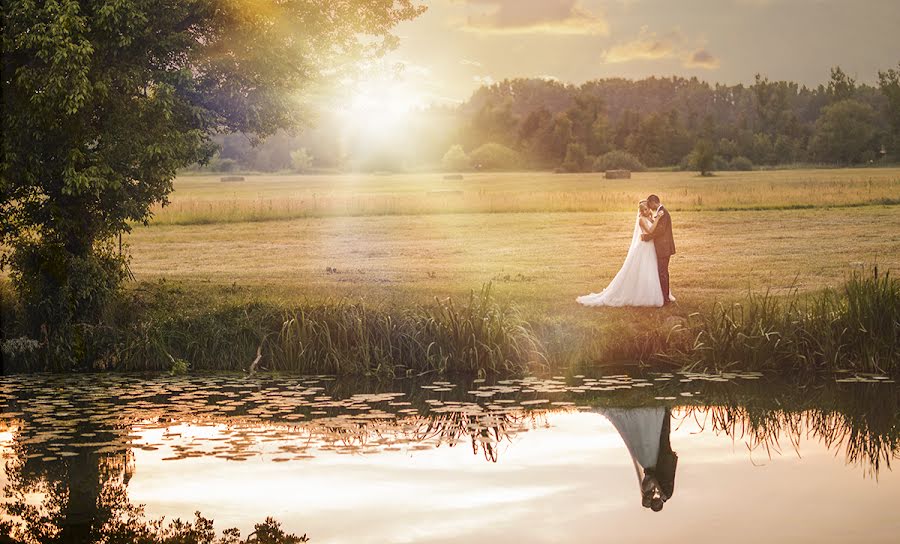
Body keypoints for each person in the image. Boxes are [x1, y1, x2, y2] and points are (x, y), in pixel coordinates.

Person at [576, 200, 675, 307]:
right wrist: (658, 218)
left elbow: (655, 228)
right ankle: (643, 295)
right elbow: (651, 231)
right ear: (641, 211)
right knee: (644, 269)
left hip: (651, 247)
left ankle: (657, 293)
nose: (647, 211)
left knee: (652, 269)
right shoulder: (641, 219)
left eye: (648, 209)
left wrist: (654, 218)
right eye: (644, 209)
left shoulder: (650, 218)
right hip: (644, 247)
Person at [597, 406, 678, 512]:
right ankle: (666, 412)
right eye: (655, 503)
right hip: (663, 461)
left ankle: (665, 413)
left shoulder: (650, 489)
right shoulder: (665, 495)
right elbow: (661, 477)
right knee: (663, 436)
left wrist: (654, 489)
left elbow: (651, 476)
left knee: (662, 436)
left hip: (656, 461)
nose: (654, 500)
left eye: (652, 501)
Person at [640, 194, 675, 305]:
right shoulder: (660, 212)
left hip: (664, 248)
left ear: (653, 202)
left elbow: (660, 231)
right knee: (662, 272)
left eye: (649, 205)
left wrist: (646, 237)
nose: (649, 208)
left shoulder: (663, 213)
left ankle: (665, 299)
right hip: (663, 247)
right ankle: (665, 297)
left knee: (662, 273)